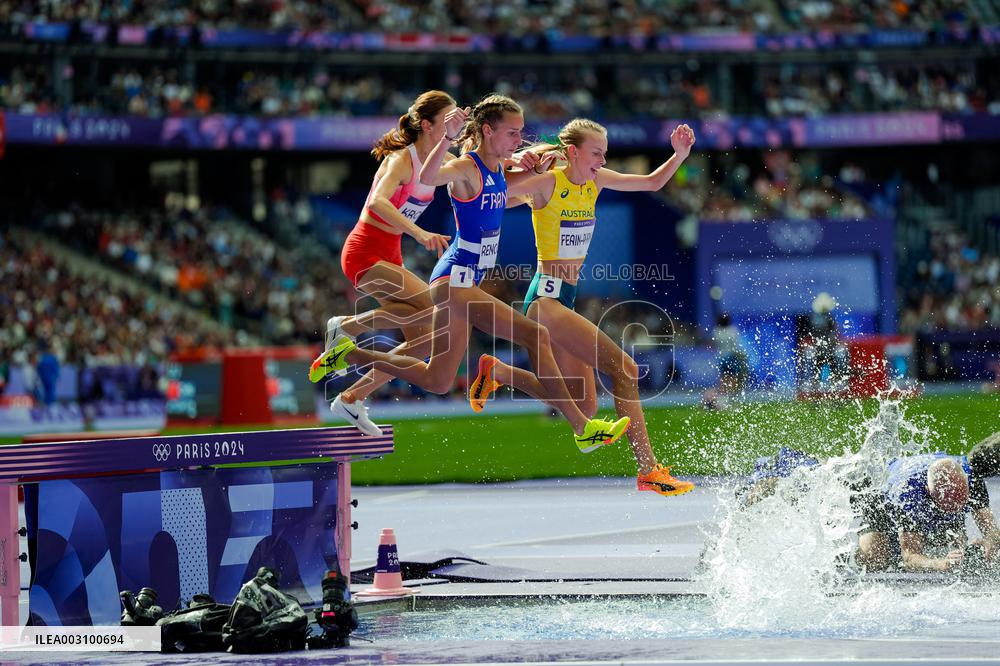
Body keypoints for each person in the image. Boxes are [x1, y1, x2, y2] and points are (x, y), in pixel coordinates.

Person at [311, 95, 631, 452]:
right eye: (512, 133)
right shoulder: (465, 167)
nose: (518, 139)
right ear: (487, 131)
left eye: (521, 132)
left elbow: (522, 178)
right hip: (454, 280)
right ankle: (583, 428)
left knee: (438, 379)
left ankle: (349, 354)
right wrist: (448, 137)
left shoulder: (497, 167)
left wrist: (535, 160)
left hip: (467, 280)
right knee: (534, 335)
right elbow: (430, 176)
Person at [467, 118, 696, 496]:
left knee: (585, 409)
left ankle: (500, 373)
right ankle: (649, 471)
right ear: (572, 152)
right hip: (545, 299)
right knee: (626, 368)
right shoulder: (546, 183)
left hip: (566, 298)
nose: (602, 160)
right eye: (596, 153)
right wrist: (513, 163)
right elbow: (487, 196)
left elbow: (652, 182)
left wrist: (679, 155)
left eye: (605, 154)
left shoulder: (597, 180)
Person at [322, 90, 456, 436]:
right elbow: (379, 203)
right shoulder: (402, 159)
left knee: (425, 338)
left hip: (390, 253)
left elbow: (488, 161)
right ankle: (347, 326)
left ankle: (352, 397)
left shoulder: (441, 158)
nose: (455, 126)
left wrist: (527, 161)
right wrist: (419, 233)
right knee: (432, 307)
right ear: (427, 125)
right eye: (449, 119)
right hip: (365, 251)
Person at [855, 447, 1000, 573]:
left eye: (962, 503)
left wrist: (989, 542)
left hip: (926, 482)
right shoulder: (909, 494)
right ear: (928, 492)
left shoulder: (971, 478)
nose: (957, 510)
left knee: (953, 545)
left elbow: (991, 530)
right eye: (949, 506)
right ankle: (855, 554)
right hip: (882, 497)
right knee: (875, 559)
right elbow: (910, 556)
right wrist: (940, 564)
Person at [795, 292, 849, 394]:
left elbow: (836, 336)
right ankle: (808, 382)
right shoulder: (812, 319)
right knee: (809, 353)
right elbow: (807, 337)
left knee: (840, 352)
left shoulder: (830, 318)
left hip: (830, 348)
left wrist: (834, 343)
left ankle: (841, 381)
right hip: (817, 349)